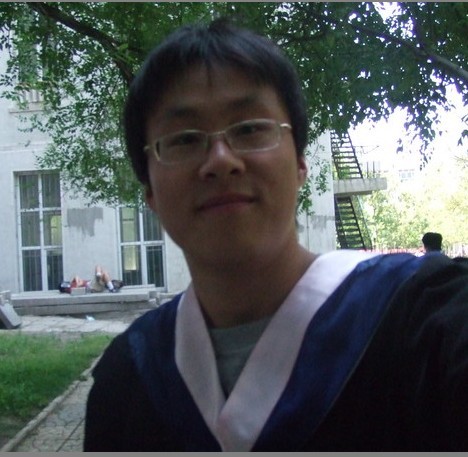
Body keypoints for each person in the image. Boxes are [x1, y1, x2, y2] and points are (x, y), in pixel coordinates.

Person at [84, 19, 468, 451]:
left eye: (249, 129)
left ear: (301, 163)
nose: (221, 160)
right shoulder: (127, 379)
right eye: (184, 139)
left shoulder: (426, 319)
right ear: (149, 192)